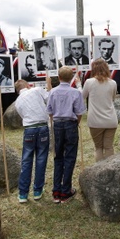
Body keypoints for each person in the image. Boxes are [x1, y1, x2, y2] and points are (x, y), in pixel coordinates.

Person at [46, 66, 86, 203]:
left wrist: (56, 119)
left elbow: (49, 110)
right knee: (69, 156)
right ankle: (65, 190)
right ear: (72, 78)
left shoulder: (52, 92)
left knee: (58, 156)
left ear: (59, 77)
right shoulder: (76, 93)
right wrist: (76, 123)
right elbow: (79, 112)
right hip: (70, 123)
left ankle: (56, 190)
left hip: (57, 123)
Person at [15, 78, 52, 203]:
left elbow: (22, 115)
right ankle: (37, 190)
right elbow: (49, 98)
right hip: (42, 127)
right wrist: (49, 85)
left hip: (29, 129)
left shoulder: (17, 101)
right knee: (41, 159)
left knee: (26, 160)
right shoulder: (36, 90)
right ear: (27, 85)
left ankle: (23, 193)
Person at [82, 59, 118, 162]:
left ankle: (100, 173)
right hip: (111, 119)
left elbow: (82, 97)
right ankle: (110, 172)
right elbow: (113, 98)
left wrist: (79, 85)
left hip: (95, 120)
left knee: (98, 148)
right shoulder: (113, 83)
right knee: (109, 147)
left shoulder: (89, 82)